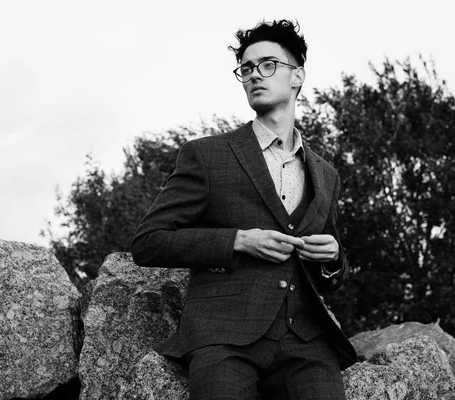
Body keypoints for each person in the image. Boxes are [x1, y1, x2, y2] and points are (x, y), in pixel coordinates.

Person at [131, 19, 357, 400]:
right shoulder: (206, 154)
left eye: (268, 64)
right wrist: (238, 241)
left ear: (297, 76)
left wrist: (333, 257)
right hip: (224, 336)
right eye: (247, 69)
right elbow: (149, 242)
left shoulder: (326, 174)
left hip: (306, 340)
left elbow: (330, 276)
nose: (255, 75)